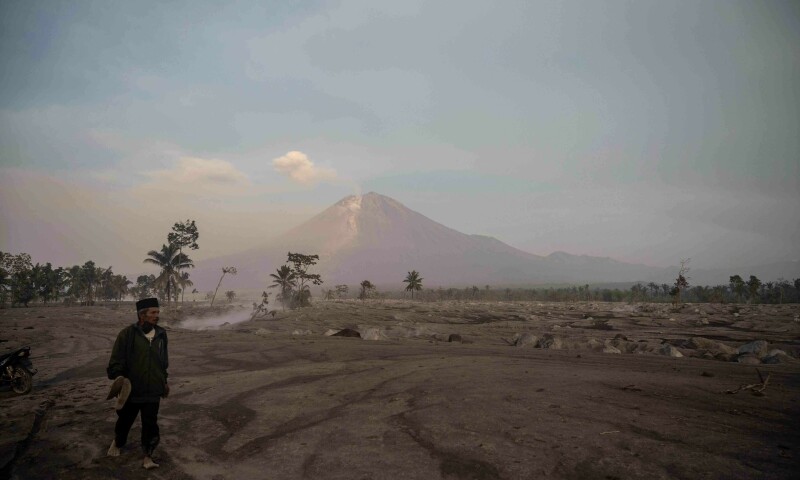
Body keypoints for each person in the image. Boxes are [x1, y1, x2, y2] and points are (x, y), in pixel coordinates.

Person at [106, 297, 170, 470]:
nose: (157, 316)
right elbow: (116, 360)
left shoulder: (161, 334)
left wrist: (164, 381)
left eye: (158, 312)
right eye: (153, 313)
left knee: (150, 424)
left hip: (153, 389)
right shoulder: (127, 334)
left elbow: (163, 362)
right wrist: (119, 377)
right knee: (125, 420)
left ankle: (148, 456)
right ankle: (118, 442)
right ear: (142, 315)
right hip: (132, 389)